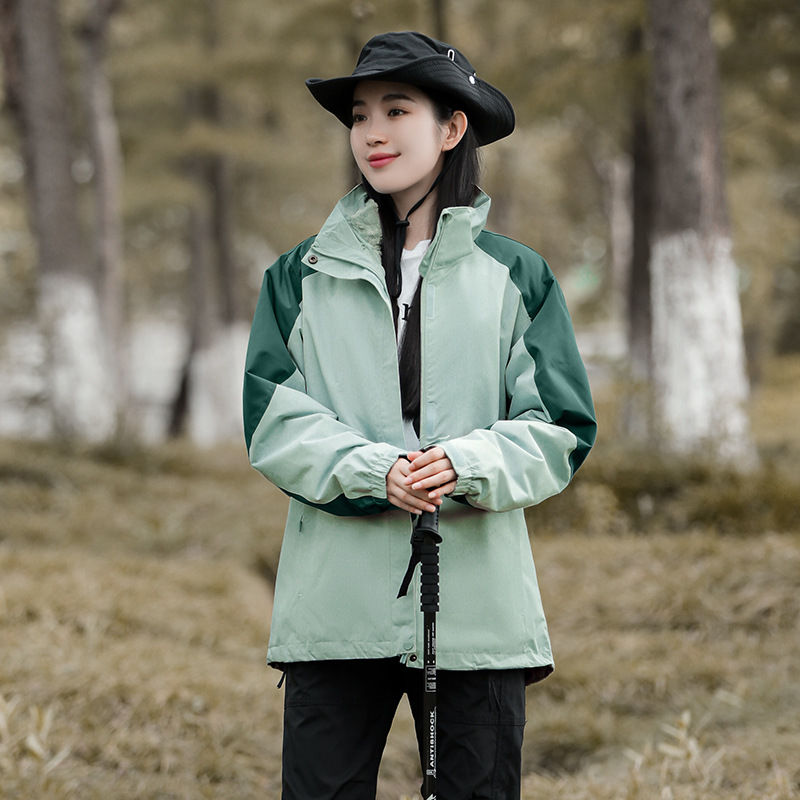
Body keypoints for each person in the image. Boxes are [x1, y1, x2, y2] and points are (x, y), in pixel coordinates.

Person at [243, 30, 596, 800]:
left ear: (451, 128)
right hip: (333, 610)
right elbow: (274, 419)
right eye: (360, 114)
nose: (371, 131)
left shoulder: (516, 276)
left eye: (396, 109)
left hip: (480, 614)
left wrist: (465, 463)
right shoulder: (297, 278)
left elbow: (560, 425)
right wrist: (377, 471)